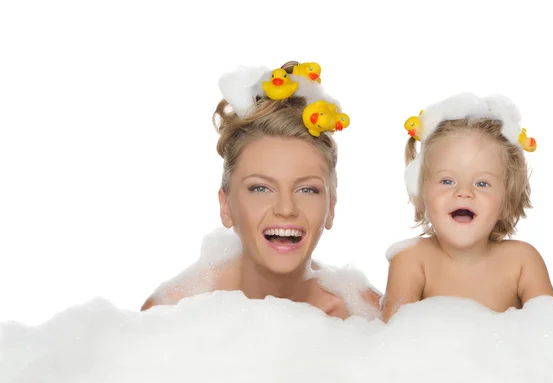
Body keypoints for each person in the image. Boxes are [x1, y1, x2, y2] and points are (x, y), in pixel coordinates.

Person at [141, 61, 381, 320]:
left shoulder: (363, 315)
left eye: (307, 190)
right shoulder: (169, 315)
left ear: (331, 207)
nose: (286, 209)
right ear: (226, 206)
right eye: (260, 188)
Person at [382, 93, 553, 322]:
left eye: (482, 183)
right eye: (447, 181)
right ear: (422, 195)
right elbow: (391, 341)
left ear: (507, 203)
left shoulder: (522, 262)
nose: (464, 192)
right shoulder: (413, 260)